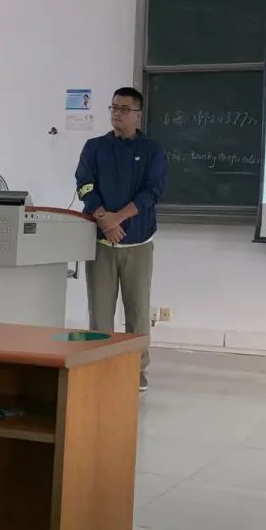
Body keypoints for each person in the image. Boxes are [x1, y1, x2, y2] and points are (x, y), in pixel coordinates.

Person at [75, 86, 167, 392]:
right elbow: (84, 185)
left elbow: (152, 192)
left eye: (124, 109)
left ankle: (136, 370)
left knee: (137, 312)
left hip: (138, 244)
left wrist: (118, 218)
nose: (117, 114)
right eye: (114, 108)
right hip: (102, 243)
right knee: (100, 312)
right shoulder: (94, 147)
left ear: (138, 114)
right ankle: (99, 365)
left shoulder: (153, 150)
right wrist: (105, 219)